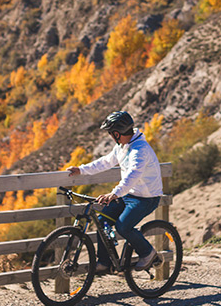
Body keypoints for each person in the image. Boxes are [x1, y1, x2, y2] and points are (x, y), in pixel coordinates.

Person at [67, 111, 163, 272]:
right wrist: (81, 170)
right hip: (128, 195)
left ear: (117, 133)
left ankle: (148, 253)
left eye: (111, 133)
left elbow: (133, 174)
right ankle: (105, 263)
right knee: (102, 220)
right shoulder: (122, 147)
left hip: (146, 198)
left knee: (123, 227)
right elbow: (105, 162)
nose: (110, 136)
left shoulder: (139, 150)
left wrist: (114, 193)